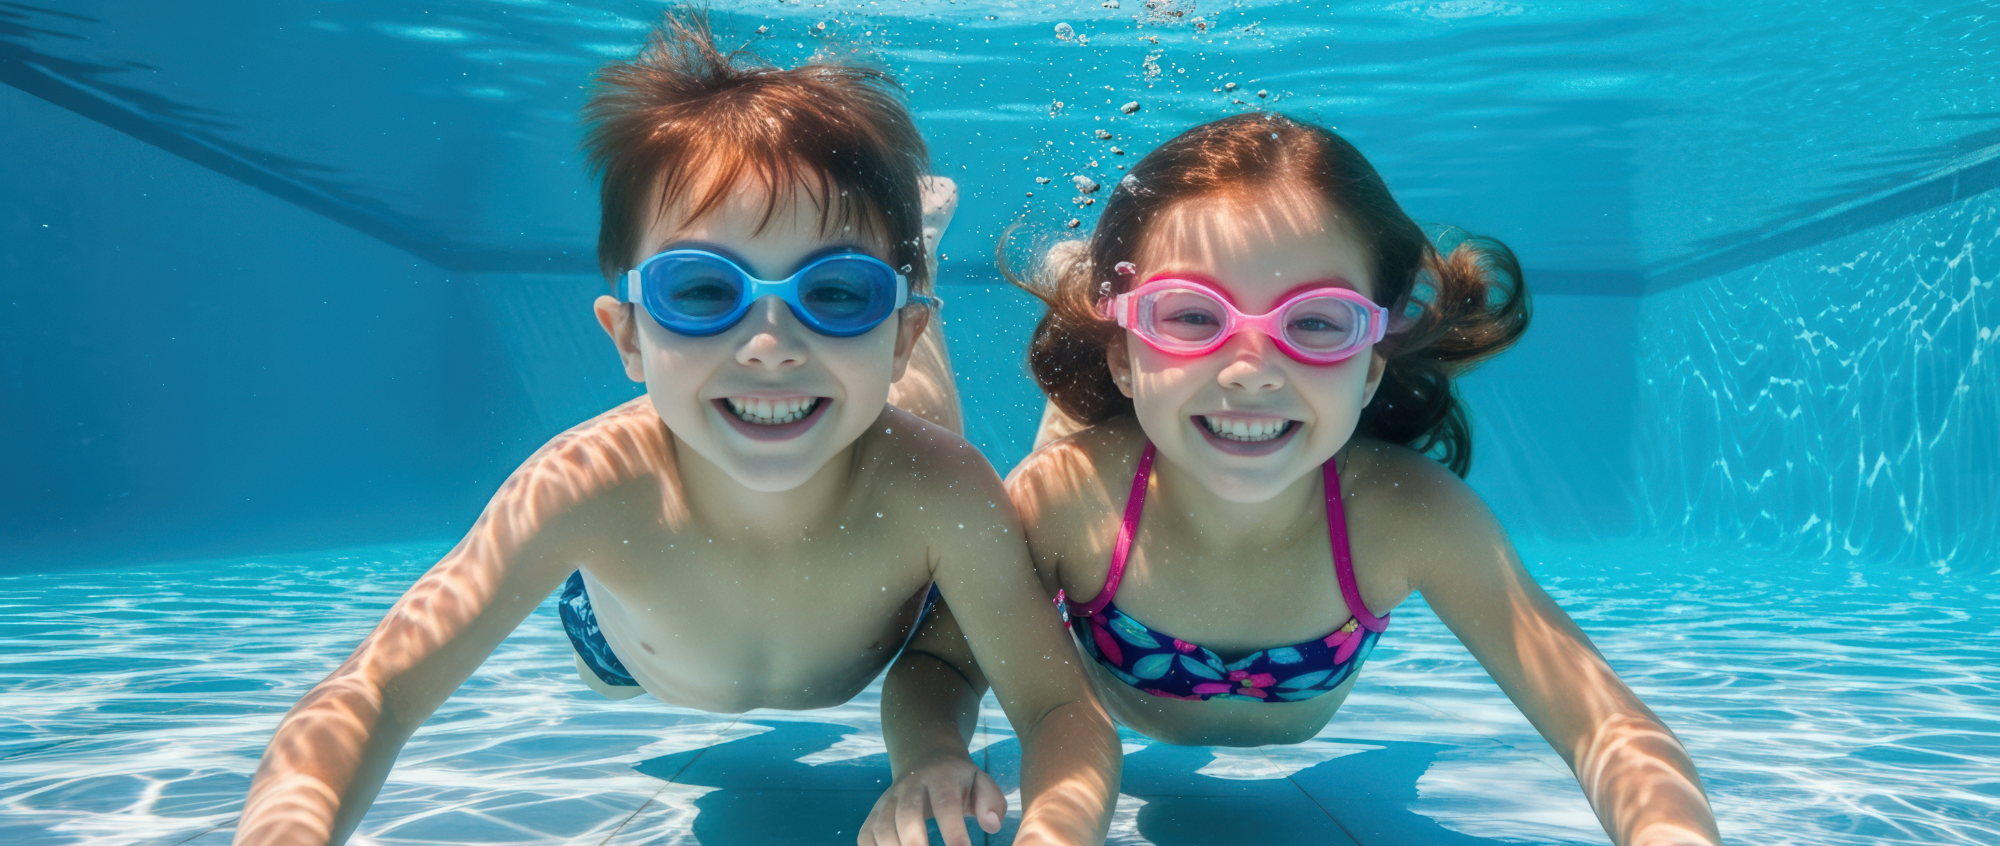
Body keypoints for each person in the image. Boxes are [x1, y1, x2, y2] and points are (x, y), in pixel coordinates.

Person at [233, 12, 1117, 846]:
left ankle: (900, 261)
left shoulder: (942, 489)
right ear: (627, 335)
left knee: (917, 421)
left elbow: (1056, 708)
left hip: (886, 508)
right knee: (878, 407)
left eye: (834, 292)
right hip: (628, 646)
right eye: (702, 292)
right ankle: (886, 264)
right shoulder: (587, 483)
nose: (771, 346)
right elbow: (373, 692)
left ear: (901, 330)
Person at [878, 112, 1723, 846]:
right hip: (1124, 471)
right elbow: (941, 665)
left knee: (1140, 428)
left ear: (1369, 368)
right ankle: (953, 272)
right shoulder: (1067, 498)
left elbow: (1605, 723)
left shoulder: (1405, 517)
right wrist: (935, 756)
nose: (1252, 371)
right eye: (1195, 316)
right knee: (1065, 438)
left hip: (1162, 431)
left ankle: (1133, 304)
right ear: (1128, 357)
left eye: (1316, 323)